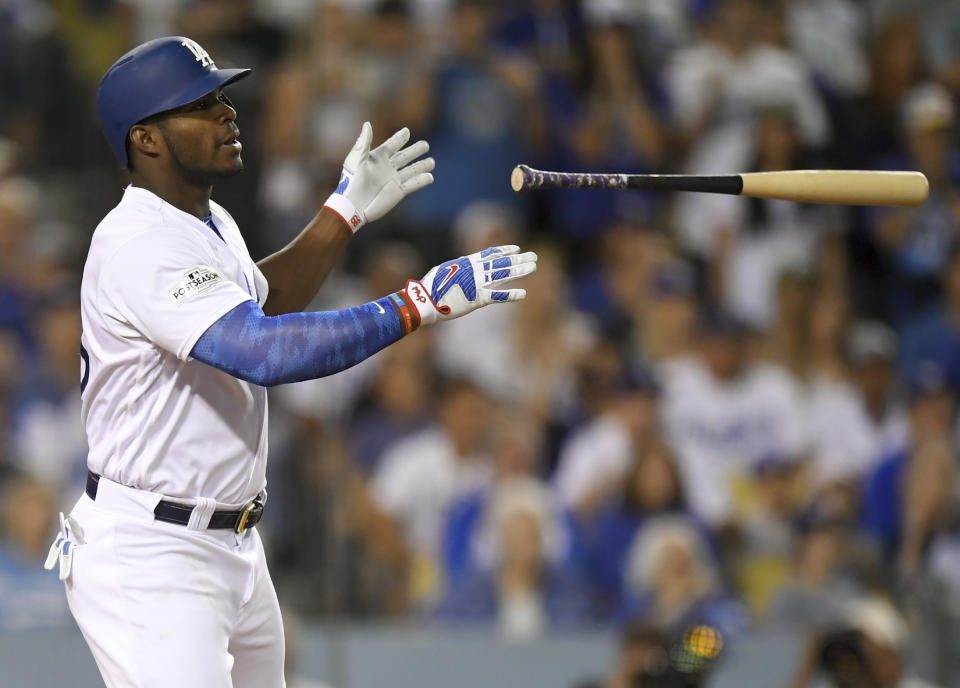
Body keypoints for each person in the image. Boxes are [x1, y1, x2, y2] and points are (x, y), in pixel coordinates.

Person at [46, 36, 537, 688]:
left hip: (230, 541)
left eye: (222, 98)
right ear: (148, 139)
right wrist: (417, 304)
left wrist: (343, 212)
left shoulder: (206, 218)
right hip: (152, 553)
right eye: (200, 105)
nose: (228, 113)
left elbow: (261, 302)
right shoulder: (139, 242)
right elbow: (262, 351)